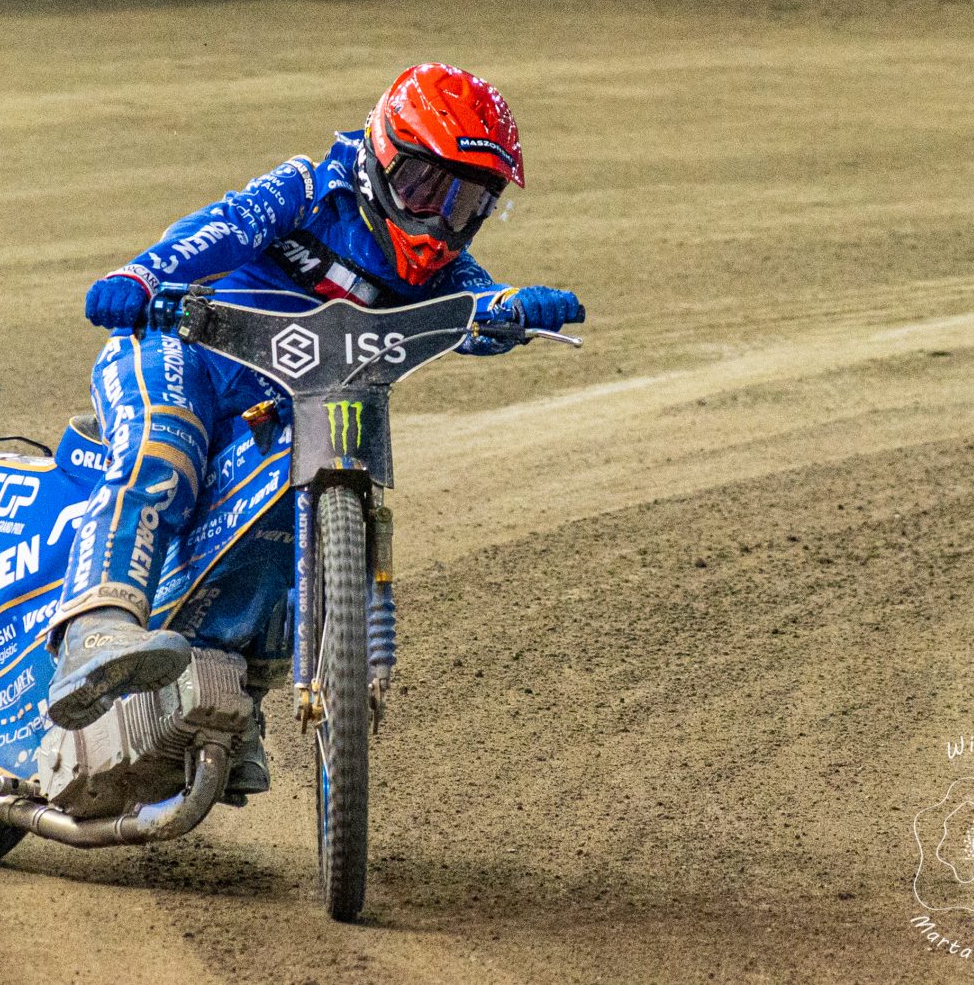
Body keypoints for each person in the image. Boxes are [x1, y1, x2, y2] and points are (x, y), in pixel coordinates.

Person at [45, 63, 586, 799]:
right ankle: (98, 628)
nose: (437, 219)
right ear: (380, 153)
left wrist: (517, 308)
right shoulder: (311, 186)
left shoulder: (439, 268)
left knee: (275, 541)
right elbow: (225, 226)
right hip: (183, 350)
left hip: (285, 413)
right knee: (162, 448)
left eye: (464, 204)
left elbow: (476, 306)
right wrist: (142, 277)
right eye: (426, 186)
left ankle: (231, 704)